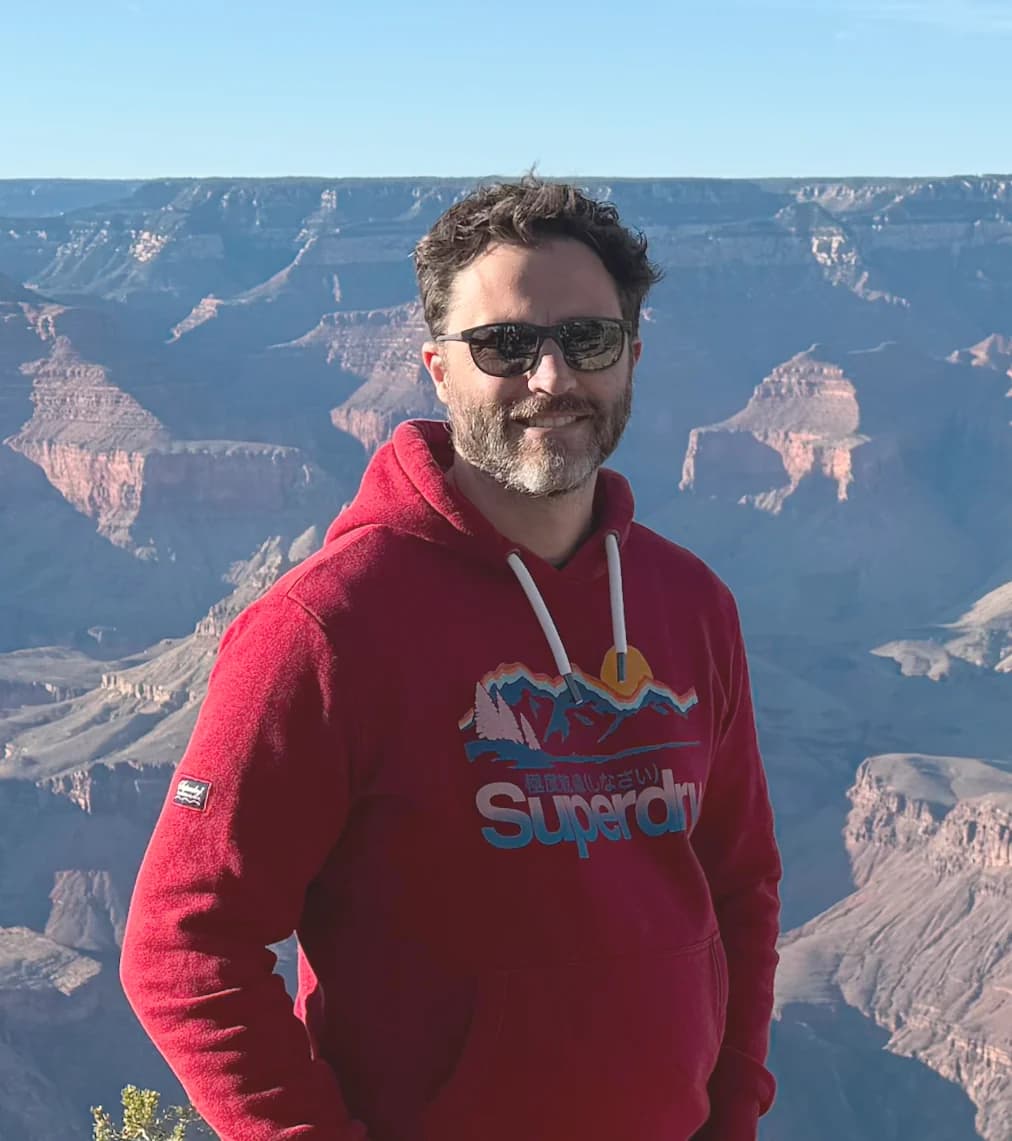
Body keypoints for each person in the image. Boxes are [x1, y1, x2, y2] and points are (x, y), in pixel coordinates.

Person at [120, 178, 782, 1141]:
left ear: (632, 357)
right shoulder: (324, 627)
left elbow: (741, 885)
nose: (551, 377)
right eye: (506, 345)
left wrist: (729, 1118)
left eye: (587, 340)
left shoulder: (692, 606)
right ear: (437, 367)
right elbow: (182, 944)